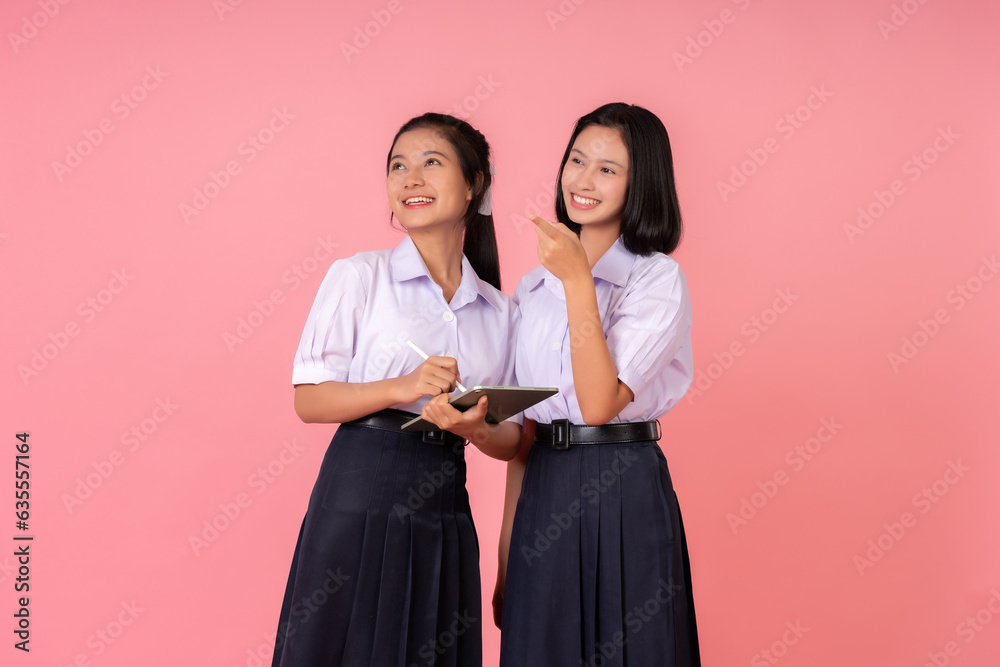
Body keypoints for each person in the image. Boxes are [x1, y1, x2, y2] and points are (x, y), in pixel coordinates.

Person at [271, 112, 521, 667]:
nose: (411, 179)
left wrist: (476, 427)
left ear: (474, 183)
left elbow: (511, 441)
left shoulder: (501, 311)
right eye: (398, 166)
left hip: (446, 499)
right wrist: (402, 385)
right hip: (360, 491)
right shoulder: (360, 275)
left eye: (431, 162)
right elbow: (309, 399)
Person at [496, 103, 701, 666]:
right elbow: (525, 432)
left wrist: (578, 280)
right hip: (545, 486)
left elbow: (598, 403)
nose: (583, 181)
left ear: (641, 184)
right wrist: (507, 556)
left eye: (607, 169)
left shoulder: (656, 279)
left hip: (622, 484)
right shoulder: (532, 289)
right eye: (577, 160)